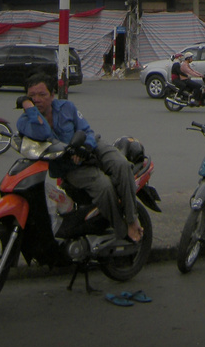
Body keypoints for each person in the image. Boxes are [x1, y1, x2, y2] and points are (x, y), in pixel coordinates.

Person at [16, 73, 142, 243]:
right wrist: (28, 107)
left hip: (91, 146)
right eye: (32, 96)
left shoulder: (67, 107)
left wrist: (86, 146)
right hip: (68, 165)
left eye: (42, 95)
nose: (37, 99)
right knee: (104, 187)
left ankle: (133, 219)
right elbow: (43, 131)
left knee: (122, 165)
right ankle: (122, 230)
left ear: (52, 95)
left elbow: (86, 129)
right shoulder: (25, 122)